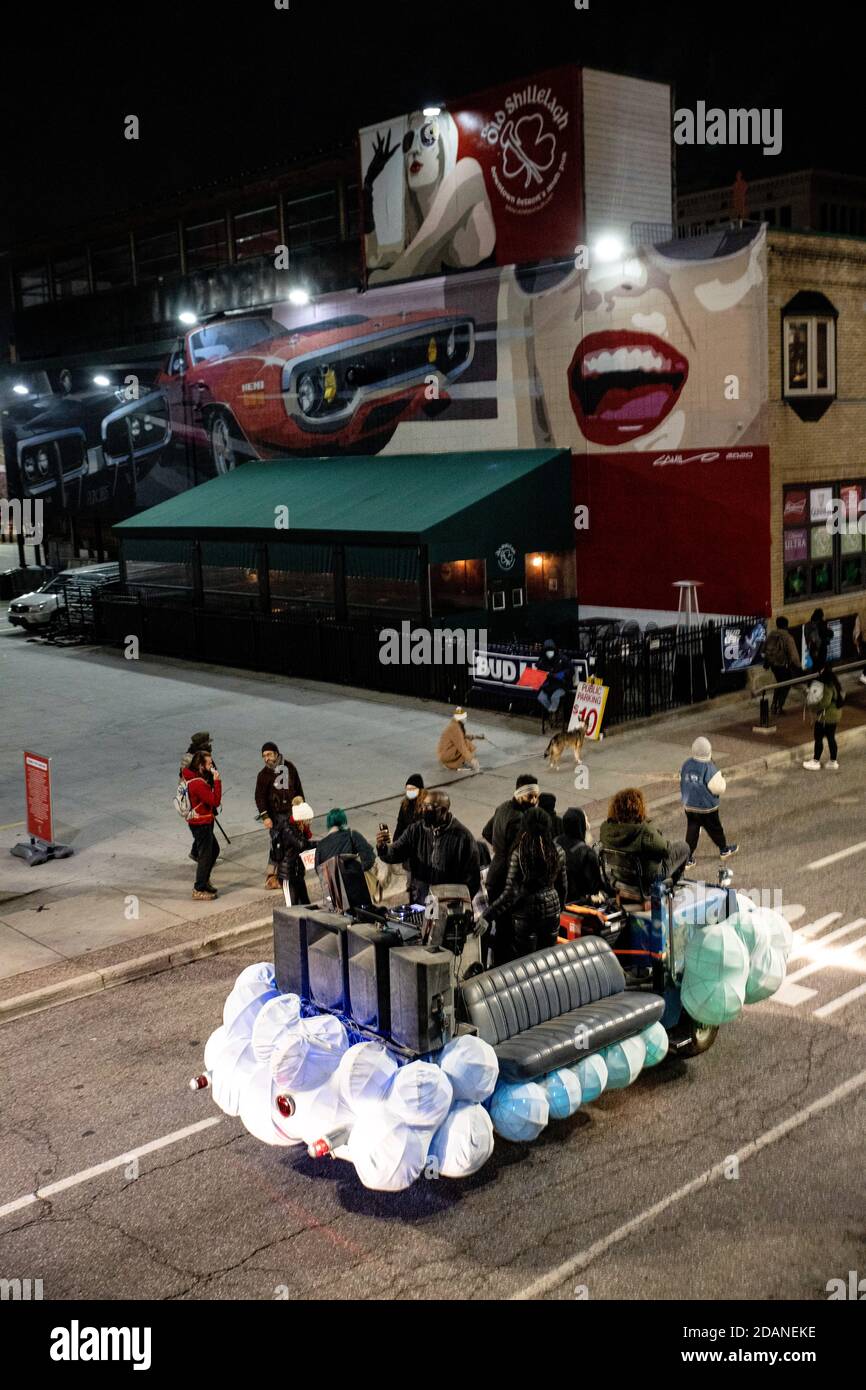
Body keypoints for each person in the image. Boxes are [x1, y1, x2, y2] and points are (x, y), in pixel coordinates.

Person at [364, 111, 495, 285]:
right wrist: (368, 186)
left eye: (429, 136)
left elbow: (390, 274)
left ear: (443, 147)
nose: (414, 150)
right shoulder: (416, 239)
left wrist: (386, 276)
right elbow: (372, 260)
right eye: (409, 141)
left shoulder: (466, 176)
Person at [482, 809, 568, 958]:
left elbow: (510, 893)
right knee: (548, 958)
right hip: (552, 912)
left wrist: (487, 916)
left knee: (527, 962)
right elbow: (563, 887)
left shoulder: (520, 854)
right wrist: (558, 907)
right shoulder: (557, 851)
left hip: (526, 916)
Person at [481, 775, 545, 964]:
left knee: (495, 925)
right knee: (506, 930)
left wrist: (498, 849)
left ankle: (488, 962)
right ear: (519, 795)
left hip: (494, 874)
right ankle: (501, 968)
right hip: (506, 879)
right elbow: (518, 852)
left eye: (536, 797)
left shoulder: (502, 808)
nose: (533, 801)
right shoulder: (520, 819)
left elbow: (486, 831)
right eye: (529, 797)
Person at [376, 789, 480, 901]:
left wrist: (459, 902)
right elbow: (396, 853)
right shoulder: (415, 830)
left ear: (443, 810)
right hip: (420, 899)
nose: (423, 810)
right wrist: (383, 848)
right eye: (422, 806)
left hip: (447, 903)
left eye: (429, 807)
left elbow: (472, 879)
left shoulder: (463, 838)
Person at [600, 788, 690, 890]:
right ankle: (674, 885)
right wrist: (651, 827)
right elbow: (666, 850)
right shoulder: (644, 830)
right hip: (648, 878)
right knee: (683, 847)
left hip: (620, 875)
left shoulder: (606, 828)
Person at [680, 737, 738, 866]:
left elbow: (681, 777)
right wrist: (722, 780)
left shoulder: (687, 764)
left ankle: (687, 858)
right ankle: (724, 849)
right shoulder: (709, 768)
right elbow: (719, 787)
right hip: (706, 807)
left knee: (692, 829)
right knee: (715, 828)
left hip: (689, 805)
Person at [255, 742, 305, 890]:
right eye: (264, 756)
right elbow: (259, 798)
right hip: (275, 817)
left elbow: (298, 789)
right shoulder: (263, 775)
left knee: (292, 845)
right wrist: (265, 817)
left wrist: (302, 811)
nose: (266, 758)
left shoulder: (290, 768)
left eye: (269, 754)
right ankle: (271, 876)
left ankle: (289, 873)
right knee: (277, 845)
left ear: (276, 753)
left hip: (291, 814)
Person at [182, 749, 222, 901]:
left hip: (200, 820)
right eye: (210, 764)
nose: (213, 767)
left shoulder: (192, 777)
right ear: (200, 765)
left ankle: (204, 880)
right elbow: (215, 801)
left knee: (214, 850)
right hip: (202, 822)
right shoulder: (198, 784)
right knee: (206, 855)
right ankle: (199, 888)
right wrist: (217, 781)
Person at [179, 732, 214, 864]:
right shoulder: (189, 759)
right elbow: (184, 779)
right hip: (196, 798)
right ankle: (199, 854)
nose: (210, 746)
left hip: (205, 793)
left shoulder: (204, 756)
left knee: (207, 828)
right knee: (204, 829)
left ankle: (196, 852)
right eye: (207, 743)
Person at [555, 807, 602, 903]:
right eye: (586, 821)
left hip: (556, 899)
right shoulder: (587, 853)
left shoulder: (555, 841)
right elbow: (595, 887)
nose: (589, 824)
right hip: (577, 902)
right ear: (581, 826)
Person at [273, 799, 316, 905]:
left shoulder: (298, 828)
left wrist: (306, 830)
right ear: (301, 820)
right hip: (287, 875)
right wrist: (321, 844)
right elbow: (302, 844)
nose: (309, 823)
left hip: (298, 874)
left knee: (306, 904)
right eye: (307, 820)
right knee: (292, 906)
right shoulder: (288, 830)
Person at [803, 665, 844, 770]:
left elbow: (824, 702)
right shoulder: (837, 684)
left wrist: (813, 707)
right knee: (831, 738)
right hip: (835, 715)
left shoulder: (827, 686)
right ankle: (833, 761)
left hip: (826, 717)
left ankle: (816, 761)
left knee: (818, 738)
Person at [764, 616, 802, 715]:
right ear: (786, 625)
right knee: (786, 685)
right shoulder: (787, 637)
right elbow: (794, 654)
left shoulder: (771, 635)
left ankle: (773, 705)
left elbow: (764, 649)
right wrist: (798, 666)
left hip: (773, 665)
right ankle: (779, 707)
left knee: (779, 683)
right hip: (782, 665)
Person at [535, 639, 571, 726]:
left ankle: (555, 713)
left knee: (555, 697)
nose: (549, 653)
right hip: (548, 686)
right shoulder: (542, 660)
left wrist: (561, 674)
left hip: (560, 686)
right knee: (541, 697)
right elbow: (538, 672)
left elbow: (570, 670)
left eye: (551, 650)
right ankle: (553, 712)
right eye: (547, 651)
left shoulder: (562, 659)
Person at [437, 708, 480, 773]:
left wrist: (474, 736)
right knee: (466, 744)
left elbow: (461, 737)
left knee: (466, 742)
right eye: (464, 717)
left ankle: (458, 762)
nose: (465, 719)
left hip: (444, 753)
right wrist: (472, 760)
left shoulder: (456, 724)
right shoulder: (455, 728)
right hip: (445, 755)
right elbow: (462, 747)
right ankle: (452, 765)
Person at [394, 775, 425, 840]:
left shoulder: (426, 805)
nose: (409, 791)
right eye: (407, 789)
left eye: (412, 789)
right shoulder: (405, 805)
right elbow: (400, 826)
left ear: (420, 789)